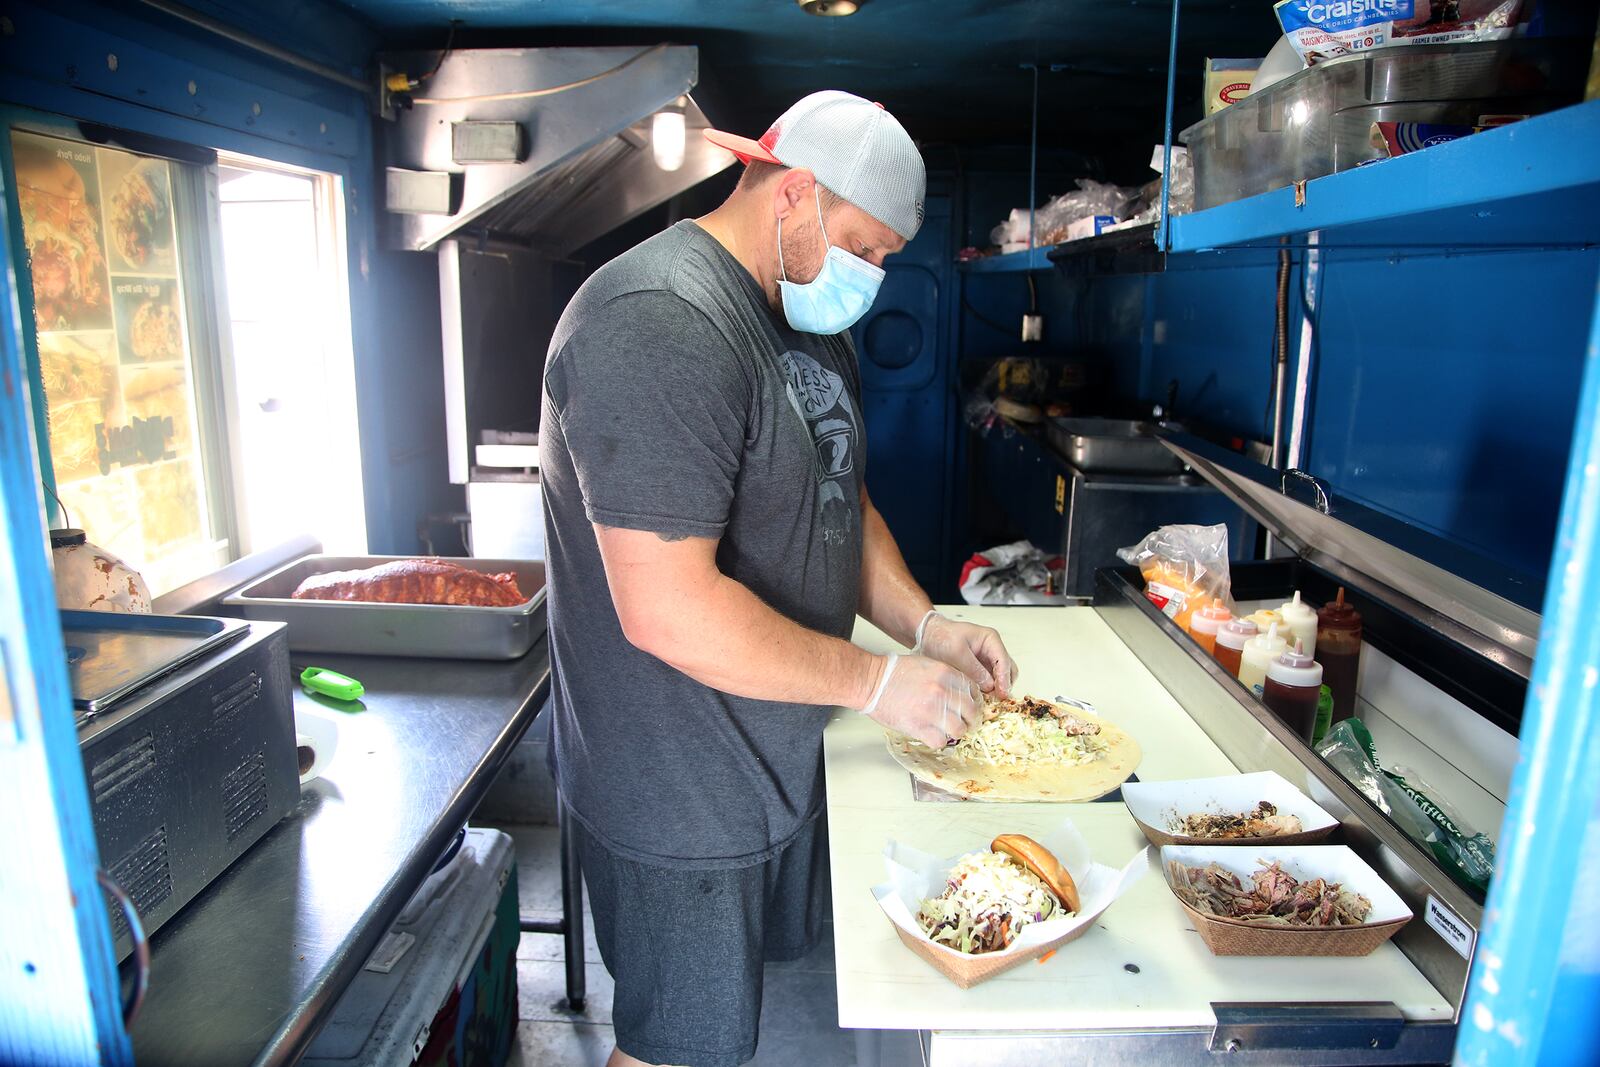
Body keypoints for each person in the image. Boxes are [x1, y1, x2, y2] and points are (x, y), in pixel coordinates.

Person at [540, 90, 1019, 1067]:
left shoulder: (803, 310)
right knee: (674, 1046)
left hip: (779, 750)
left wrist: (922, 627)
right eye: (868, 246)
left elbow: (844, 492)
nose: (874, 275)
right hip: (681, 789)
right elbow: (667, 608)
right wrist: (879, 683)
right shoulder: (658, 321)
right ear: (794, 193)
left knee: (744, 1023)